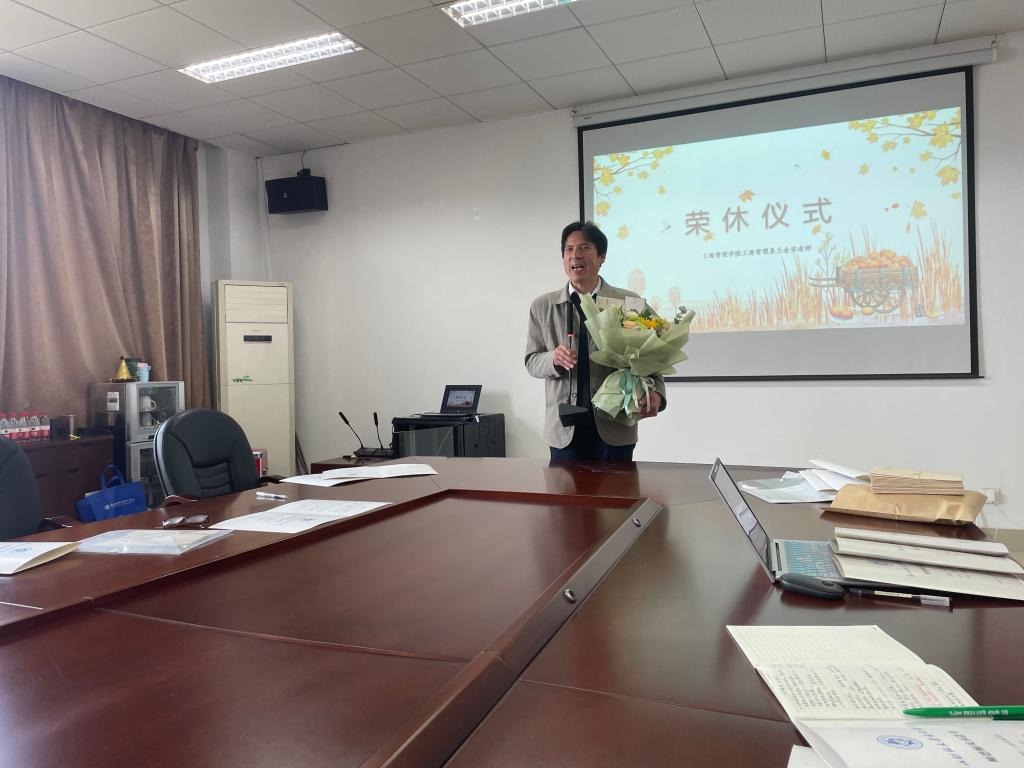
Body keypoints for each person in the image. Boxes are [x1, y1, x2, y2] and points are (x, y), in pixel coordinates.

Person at [525, 221, 666, 461]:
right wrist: (553, 359)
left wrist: (657, 392)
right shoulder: (543, 306)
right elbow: (531, 360)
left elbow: (654, 354)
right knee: (564, 487)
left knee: (618, 487)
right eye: (569, 249)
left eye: (584, 248)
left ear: (602, 257)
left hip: (616, 423)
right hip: (564, 429)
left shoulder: (629, 302)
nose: (575, 255)